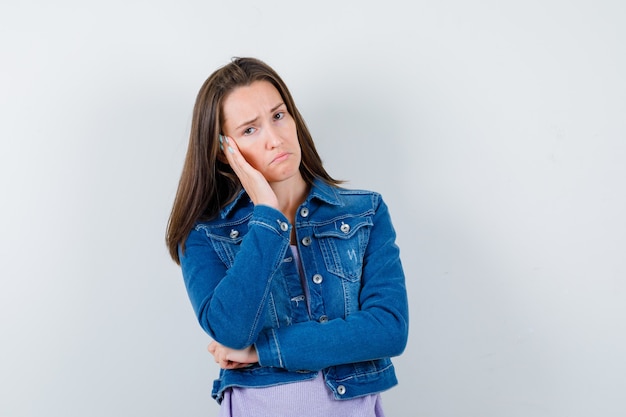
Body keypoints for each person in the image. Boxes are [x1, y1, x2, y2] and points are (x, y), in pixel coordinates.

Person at [166, 57, 408, 417]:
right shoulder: (203, 236)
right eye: (250, 130)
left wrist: (262, 351)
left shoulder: (364, 213)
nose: (274, 139)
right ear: (223, 149)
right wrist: (267, 214)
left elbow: (388, 330)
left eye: (278, 116)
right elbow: (231, 330)